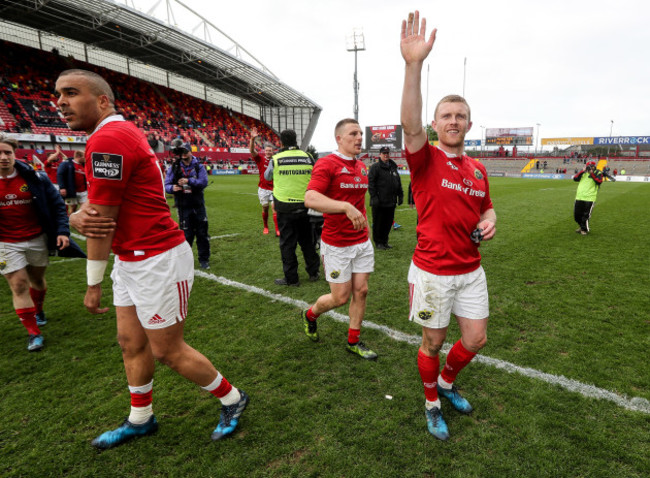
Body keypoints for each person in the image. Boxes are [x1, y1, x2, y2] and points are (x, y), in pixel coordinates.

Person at [57, 69, 248, 449]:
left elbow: (101, 223)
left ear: (102, 101)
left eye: (71, 93)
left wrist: (92, 284)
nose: (60, 102)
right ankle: (141, 419)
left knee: (167, 350)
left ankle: (233, 398)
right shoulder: (114, 134)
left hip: (156, 257)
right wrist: (82, 213)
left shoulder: (109, 137)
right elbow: (100, 211)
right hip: (132, 258)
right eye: (58, 95)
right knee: (130, 342)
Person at [400, 11, 497, 440]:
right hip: (433, 272)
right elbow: (408, 122)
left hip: (470, 270)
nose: (454, 121)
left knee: (475, 340)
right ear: (435, 124)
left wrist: (490, 220)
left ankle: (446, 383)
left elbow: (487, 209)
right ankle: (431, 402)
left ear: (469, 124)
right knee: (432, 344)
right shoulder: (424, 159)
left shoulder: (478, 169)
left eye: (460, 115)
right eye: (447, 115)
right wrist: (414, 64)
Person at [302, 118, 377, 360]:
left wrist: (366, 232)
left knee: (362, 291)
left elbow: (360, 204)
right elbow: (310, 198)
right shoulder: (327, 164)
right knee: (340, 298)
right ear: (339, 138)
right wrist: (344, 206)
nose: (359, 138)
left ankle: (353, 341)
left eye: (360, 134)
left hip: (361, 242)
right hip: (337, 244)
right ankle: (311, 315)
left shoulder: (362, 167)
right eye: (353, 134)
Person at [0, 135, 84, 351]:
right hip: (6, 243)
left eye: (7, 152)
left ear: (14, 154)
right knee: (18, 284)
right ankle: (33, 333)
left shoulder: (35, 176)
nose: (3, 157)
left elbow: (57, 206)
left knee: (37, 280)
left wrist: (63, 232)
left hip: (36, 238)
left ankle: (38, 310)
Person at [263, 129, 319, 286]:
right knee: (308, 241)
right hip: (305, 205)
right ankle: (314, 272)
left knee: (288, 244)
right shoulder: (308, 157)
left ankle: (292, 279)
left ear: (281, 142)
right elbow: (316, 175)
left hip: (285, 206)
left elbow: (267, 177)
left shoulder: (275, 159)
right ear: (296, 141)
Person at [164, 139, 211, 269]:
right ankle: (185, 260)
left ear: (190, 151)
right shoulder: (174, 167)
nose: (184, 154)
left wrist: (189, 181)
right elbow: (166, 184)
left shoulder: (198, 166)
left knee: (202, 233)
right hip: (183, 206)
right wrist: (172, 188)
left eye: (186, 151)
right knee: (186, 235)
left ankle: (204, 260)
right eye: (182, 151)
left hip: (198, 204)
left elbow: (203, 182)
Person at [368, 146, 404, 249]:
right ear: (380, 155)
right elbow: (371, 183)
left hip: (391, 201)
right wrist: (374, 197)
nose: (386, 155)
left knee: (388, 223)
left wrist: (400, 195)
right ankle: (378, 242)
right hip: (379, 201)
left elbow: (398, 182)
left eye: (387, 153)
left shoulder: (393, 167)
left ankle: (385, 241)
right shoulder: (375, 167)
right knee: (379, 223)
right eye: (384, 153)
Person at [249, 127, 279, 236]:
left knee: (274, 207)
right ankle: (265, 226)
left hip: (274, 189)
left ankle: (277, 230)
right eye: (266, 150)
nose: (268, 152)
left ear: (273, 152)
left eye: (270, 151)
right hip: (263, 188)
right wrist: (252, 139)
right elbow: (252, 151)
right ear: (264, 151)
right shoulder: (260, 159)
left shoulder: (276, 160)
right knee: (265, 208)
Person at [572, 160, 603, 235]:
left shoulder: (598, 173)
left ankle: (584, 229)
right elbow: (575, 178)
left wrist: (591, 173)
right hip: (579, 196)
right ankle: (581, 226)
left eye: (591, 166)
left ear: (594, 167)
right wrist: (582, 171)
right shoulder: (583, 173)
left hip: (590, 197)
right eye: (588, 166)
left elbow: (599, 181)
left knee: (586, 215)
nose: (589, 168)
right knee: (576, 215)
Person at [57, 149, 87, 215]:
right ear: (79, 157)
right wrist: (62, 187)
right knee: (73, 207)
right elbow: (60, 174)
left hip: (83, 191)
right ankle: (70, 219)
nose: (85, 159)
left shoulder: (83, 165)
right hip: (72, 191)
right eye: (84, 157)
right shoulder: (67, 163)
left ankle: (78, 218)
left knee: (84, 207)